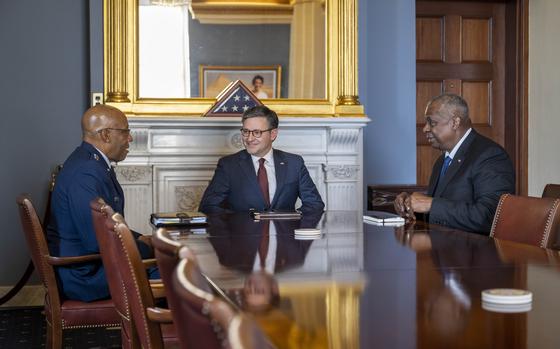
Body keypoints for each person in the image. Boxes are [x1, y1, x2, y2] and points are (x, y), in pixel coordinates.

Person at [47, 104, 155, 302]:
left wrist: (141, 239)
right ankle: (164, 332)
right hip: (85, 276)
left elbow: (108, 227)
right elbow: (96, 239)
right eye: (126, 132)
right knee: (172, 270)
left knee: (166, 261)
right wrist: (146, 247)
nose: (130, 138)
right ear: (106, 135)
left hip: (90, 266)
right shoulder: (86, 171)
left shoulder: (91, 162)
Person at [394, 93, 515, 234]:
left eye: (432, 122)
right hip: (443, 248)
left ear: (455, 123)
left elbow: (489, 218)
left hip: (477, 253)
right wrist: (410, 206)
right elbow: (440, 212)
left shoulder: (490, 156)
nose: (425, 128)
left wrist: (431, 204)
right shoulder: (442, 161)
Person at [199, 105, 325, 213]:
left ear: (273, 134)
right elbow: (208, 207)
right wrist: (237, 224)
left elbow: (315, 205)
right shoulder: (228, 165)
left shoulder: (294, 163)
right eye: (246, 131)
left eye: (257, 132)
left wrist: (291, 222)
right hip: (243, 239)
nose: (249, 138)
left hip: (284, 238)